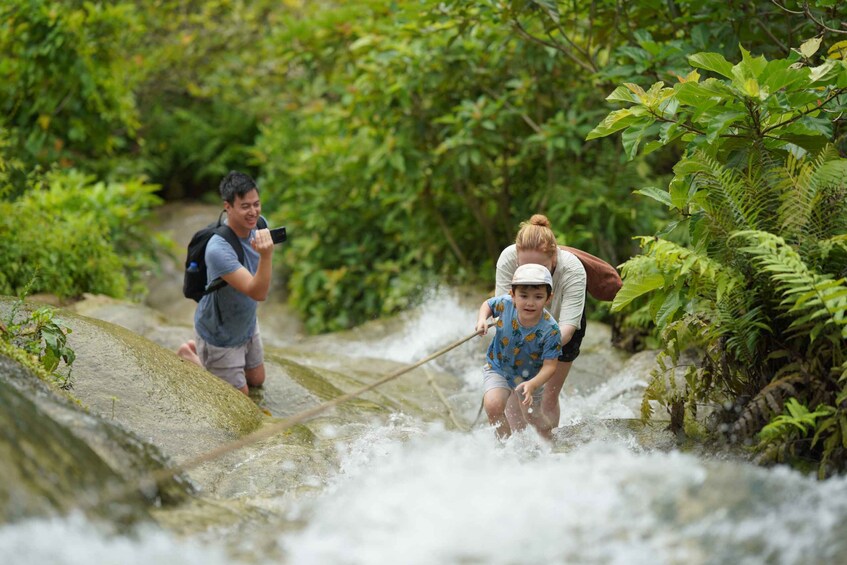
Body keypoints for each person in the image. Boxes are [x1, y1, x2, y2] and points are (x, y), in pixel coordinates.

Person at [177, 171, 275, 396]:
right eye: (245, 206)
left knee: (257, 380)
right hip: (219, 333)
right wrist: (267, 255)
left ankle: (196, 351)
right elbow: (257, 292)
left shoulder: (260, 225)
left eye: (257, 204)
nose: (253, 212)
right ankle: (191, 356)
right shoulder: (218, 249)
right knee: (240, 398)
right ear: (228, 207)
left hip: (246, 323)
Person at [494, 214, 587, 433]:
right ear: (517, 257)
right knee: (516, 393)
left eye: (540, 268)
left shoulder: (573, 270)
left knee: (547, 396)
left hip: (561, 330)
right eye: (525, 268)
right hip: (518, 330)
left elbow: (567, 328)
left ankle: (549, 450)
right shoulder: (508, 259)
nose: (532, 276)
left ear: (554, 256)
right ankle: (519, 448)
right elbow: (502, 311)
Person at [475, 263, 563, 440]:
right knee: (492, 406)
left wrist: (533, 384)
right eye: (523, 296)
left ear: (548, 298)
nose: (530, 303)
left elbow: (550, 366)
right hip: (499, 366)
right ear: (512, 295)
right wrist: (482, 320)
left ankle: (550, 440)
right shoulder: (505, 305)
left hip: (531, 377)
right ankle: (507, 449)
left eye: (538, 297)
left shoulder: (551, 330)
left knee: (532, 417)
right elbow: (488, 304)